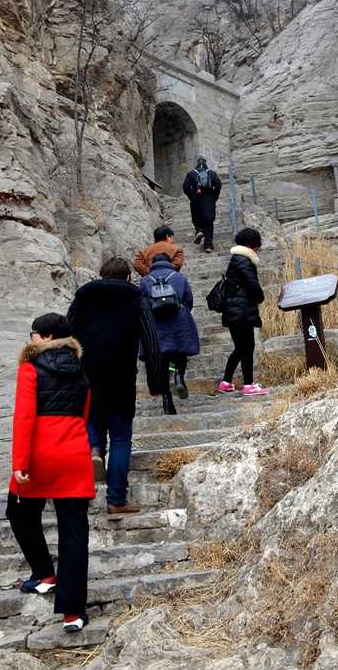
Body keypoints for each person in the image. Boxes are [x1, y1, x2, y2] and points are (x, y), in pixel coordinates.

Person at [6, 313, 93, 632]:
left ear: (45, 337)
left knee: (18, 510)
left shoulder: (30, 369)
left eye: (33, 334)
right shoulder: (81, 369)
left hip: (40, 454)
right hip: (73, 452)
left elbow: (24, 418)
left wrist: (20, 463)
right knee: (74, 532)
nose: (30, 339)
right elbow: (84, 414)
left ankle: (44, 573)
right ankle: (73, 613)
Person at [67, 256, 164, 514]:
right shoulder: (135, 298)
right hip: (121, 379)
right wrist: (156, 382)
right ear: (129, 277)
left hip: (86, 378)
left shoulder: (82, 298)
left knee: (92, 424)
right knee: (121, 437)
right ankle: (116, 499)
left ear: (101, 275)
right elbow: (152, 342)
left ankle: (94, 451)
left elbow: (67, 337)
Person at [139, 252, 200, 414]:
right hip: (179, 321)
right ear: (169, 262)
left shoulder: (145, 280)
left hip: (156, 325)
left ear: (153, 264)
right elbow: (189, 300)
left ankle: (167, 400)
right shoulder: (179, 277)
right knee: (180, 354)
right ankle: (179, 376)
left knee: (162, 362)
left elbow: (142, 304)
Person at [218, 227, 271, 396]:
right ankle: (248, 385)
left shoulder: (236, 259)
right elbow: (252, 284)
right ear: (252, 244)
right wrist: (260, 297)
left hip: (234, 310)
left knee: (240, 348)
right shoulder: (243, 260)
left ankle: (226, 382)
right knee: (247, 347)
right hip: (241, 311)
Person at [182, 157, 222, 253]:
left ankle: (199, 230)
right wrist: (214, 196)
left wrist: (192, 196)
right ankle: (208, 245)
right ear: (205, 163)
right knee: (208, 222)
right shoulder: (212, 173)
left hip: (196, 200)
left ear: (197, 164)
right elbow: (218, 184)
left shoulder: (191, 173)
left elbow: (185, 187)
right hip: (209, 201)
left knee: (196, 219)